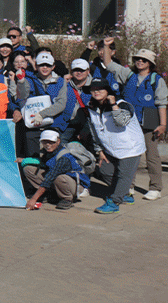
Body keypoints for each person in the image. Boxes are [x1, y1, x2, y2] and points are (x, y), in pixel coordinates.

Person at [98, 44, 166, 201]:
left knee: (152, 155)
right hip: (128, 122)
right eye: (138, 59)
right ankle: (129, 186)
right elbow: (108, 64)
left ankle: (155, 188)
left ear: (150, 63)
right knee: (128, 154)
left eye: (144, 59)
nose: (140, 61)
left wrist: (162, 124)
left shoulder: (156, 80)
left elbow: (162, 103)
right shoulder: (128, 75)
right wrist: (107, 46)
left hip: (149, 122)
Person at [82, 80, 146, 214]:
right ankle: (124, 193)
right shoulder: (93, 108)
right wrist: (99, 150)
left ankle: (115, 201)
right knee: (104, 170)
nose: (96, 91)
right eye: (93, 89)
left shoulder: (122, 104)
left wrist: (113, 104)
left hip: (130, 147)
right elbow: (95, 130)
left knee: (124, 175)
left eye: (101, 89)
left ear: (108, 91)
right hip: (110, 148)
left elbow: (121, 122)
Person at [21, 129, 88, 211]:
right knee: (29, 169)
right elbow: (44, 165)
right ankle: (48, 195)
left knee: (59, 178)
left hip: (76, 186)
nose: (48, 145)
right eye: (45, 142)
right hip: (60, 182)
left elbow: (50, 178)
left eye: (51, 142)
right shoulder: (48, 152)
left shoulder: (64, 157)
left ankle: (67, 199)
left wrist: (34, 199)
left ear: (58, 141)